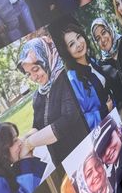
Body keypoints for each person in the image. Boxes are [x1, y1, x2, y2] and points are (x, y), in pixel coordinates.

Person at [16, 38, 89, 166]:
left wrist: (30, 143)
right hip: (62, 161)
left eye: (36, 69)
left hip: (84, 152)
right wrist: (22, 141)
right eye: (28, 74)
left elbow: (68, 119)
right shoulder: (38, 95)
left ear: (47, 59)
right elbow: (37, 126)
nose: (34, 77)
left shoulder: (66, 79)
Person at [50, 20, 113, 130]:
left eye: (78, 37)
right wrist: (105, 110)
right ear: (67, 51)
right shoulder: (72, 79)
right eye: (72, 44)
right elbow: (79, 118)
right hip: (103, 127)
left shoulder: (92, 62)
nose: (78, 44)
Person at [90, 17, 122, 103]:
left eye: (103, 32)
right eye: (98, 38)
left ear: (109, 30)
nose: (103, 40)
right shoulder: (101, 65)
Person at [92, 115, 122, 193]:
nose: (107, 152)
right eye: (102, 152)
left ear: (118, 131)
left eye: (109, 140)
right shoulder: (111, 175)